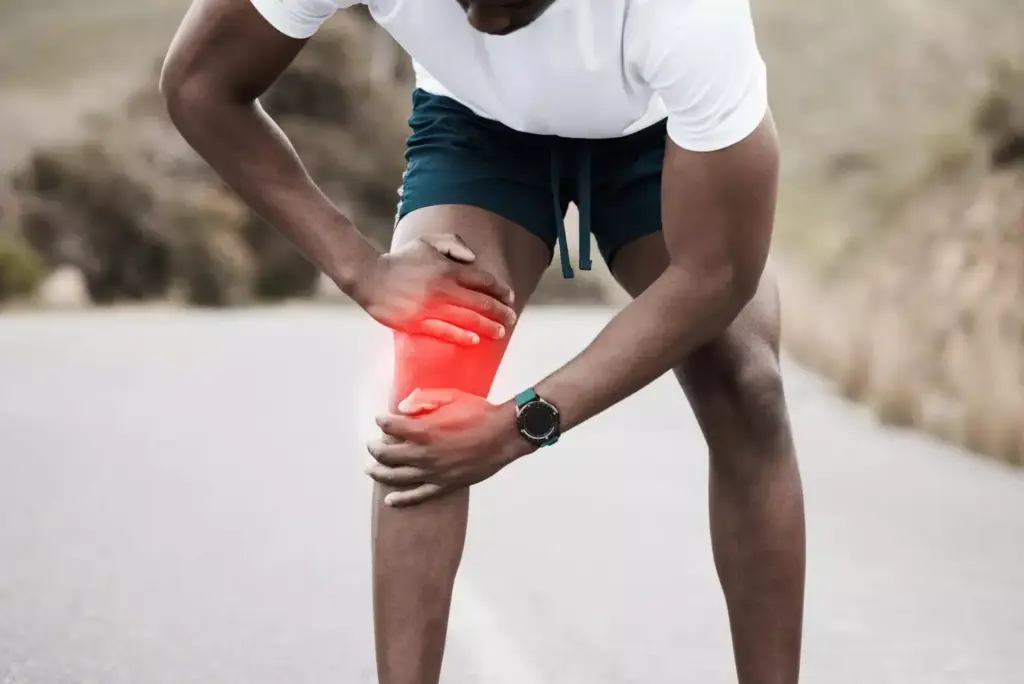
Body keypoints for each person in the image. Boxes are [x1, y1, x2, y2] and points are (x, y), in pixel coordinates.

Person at [160, 0, 806, 681]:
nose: (477, 11)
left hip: (658, 138)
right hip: (479, 130)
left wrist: (521, 424)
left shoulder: (685, 15)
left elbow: (717, 274)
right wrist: (360, 268)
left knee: (747, 385)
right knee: (431, 386)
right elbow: (200, 84)